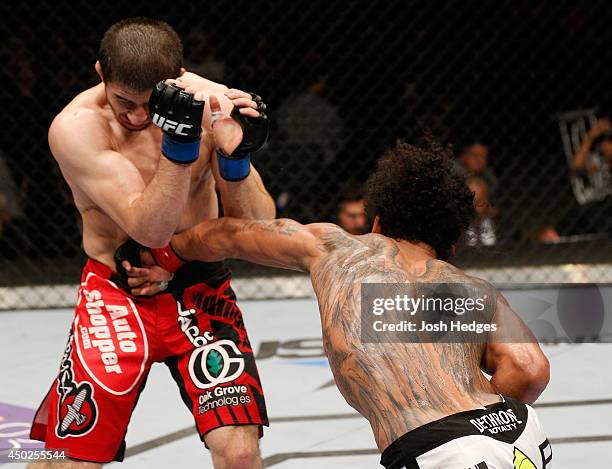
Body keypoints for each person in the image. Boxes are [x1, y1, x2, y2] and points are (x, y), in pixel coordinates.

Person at [125, 141, 552, 468]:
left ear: (378, 221)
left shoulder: (335, 247)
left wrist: (168, 259)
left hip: (439, 450)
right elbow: (530, 371)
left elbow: (227, 234)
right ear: (451, 245)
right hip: (518, 434)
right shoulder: (466, 290)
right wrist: (477, 424)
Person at [30, 18, 275, 468]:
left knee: (240, 454)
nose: (138, 116)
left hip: (201, 290)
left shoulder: (213, 104)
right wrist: (179, 147)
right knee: (72, 461)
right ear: (101, 72)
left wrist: (236, 159)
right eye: (124, 100)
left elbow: (258, 227)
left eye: (149, 103)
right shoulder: (78, 127)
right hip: (117, 297)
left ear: (177, 78)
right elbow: (150, 229)